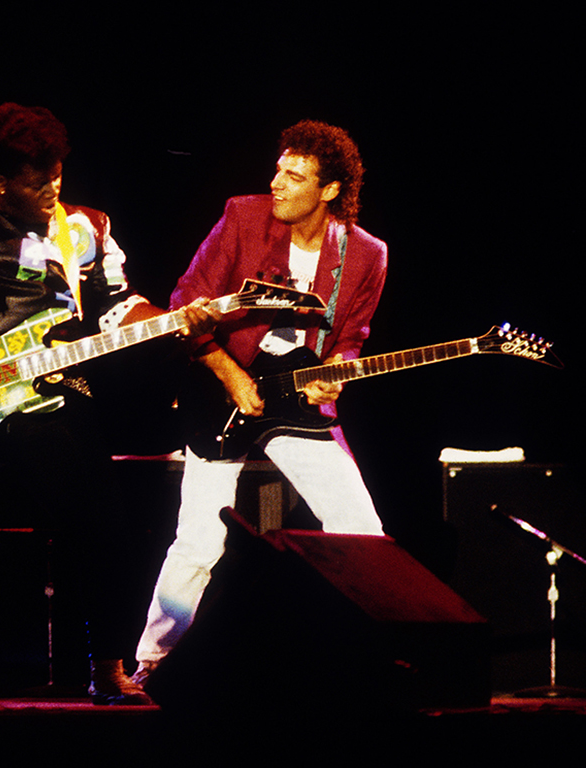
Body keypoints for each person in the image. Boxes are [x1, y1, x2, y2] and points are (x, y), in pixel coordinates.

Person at [0, 103, 209, 705]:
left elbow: (118, 305)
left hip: (51, 390)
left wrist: (175, 322)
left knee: (101, 522)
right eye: (36, 178)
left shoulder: (86, 228)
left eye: (57, 173)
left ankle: (108, 667)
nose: (52, 187)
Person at [133, 120, 387, 685]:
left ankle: (369, 658)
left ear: (329, 192)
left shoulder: (367, 255)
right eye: (278, 168)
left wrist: (336, 376)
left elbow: (352, 339)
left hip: (297, 403)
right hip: (221, 394)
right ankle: (155, 661)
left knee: (361, 529)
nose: (276, 183)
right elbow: (186, 304)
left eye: (294, 176)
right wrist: (228, 374)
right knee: (200, 538)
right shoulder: (244, 216)